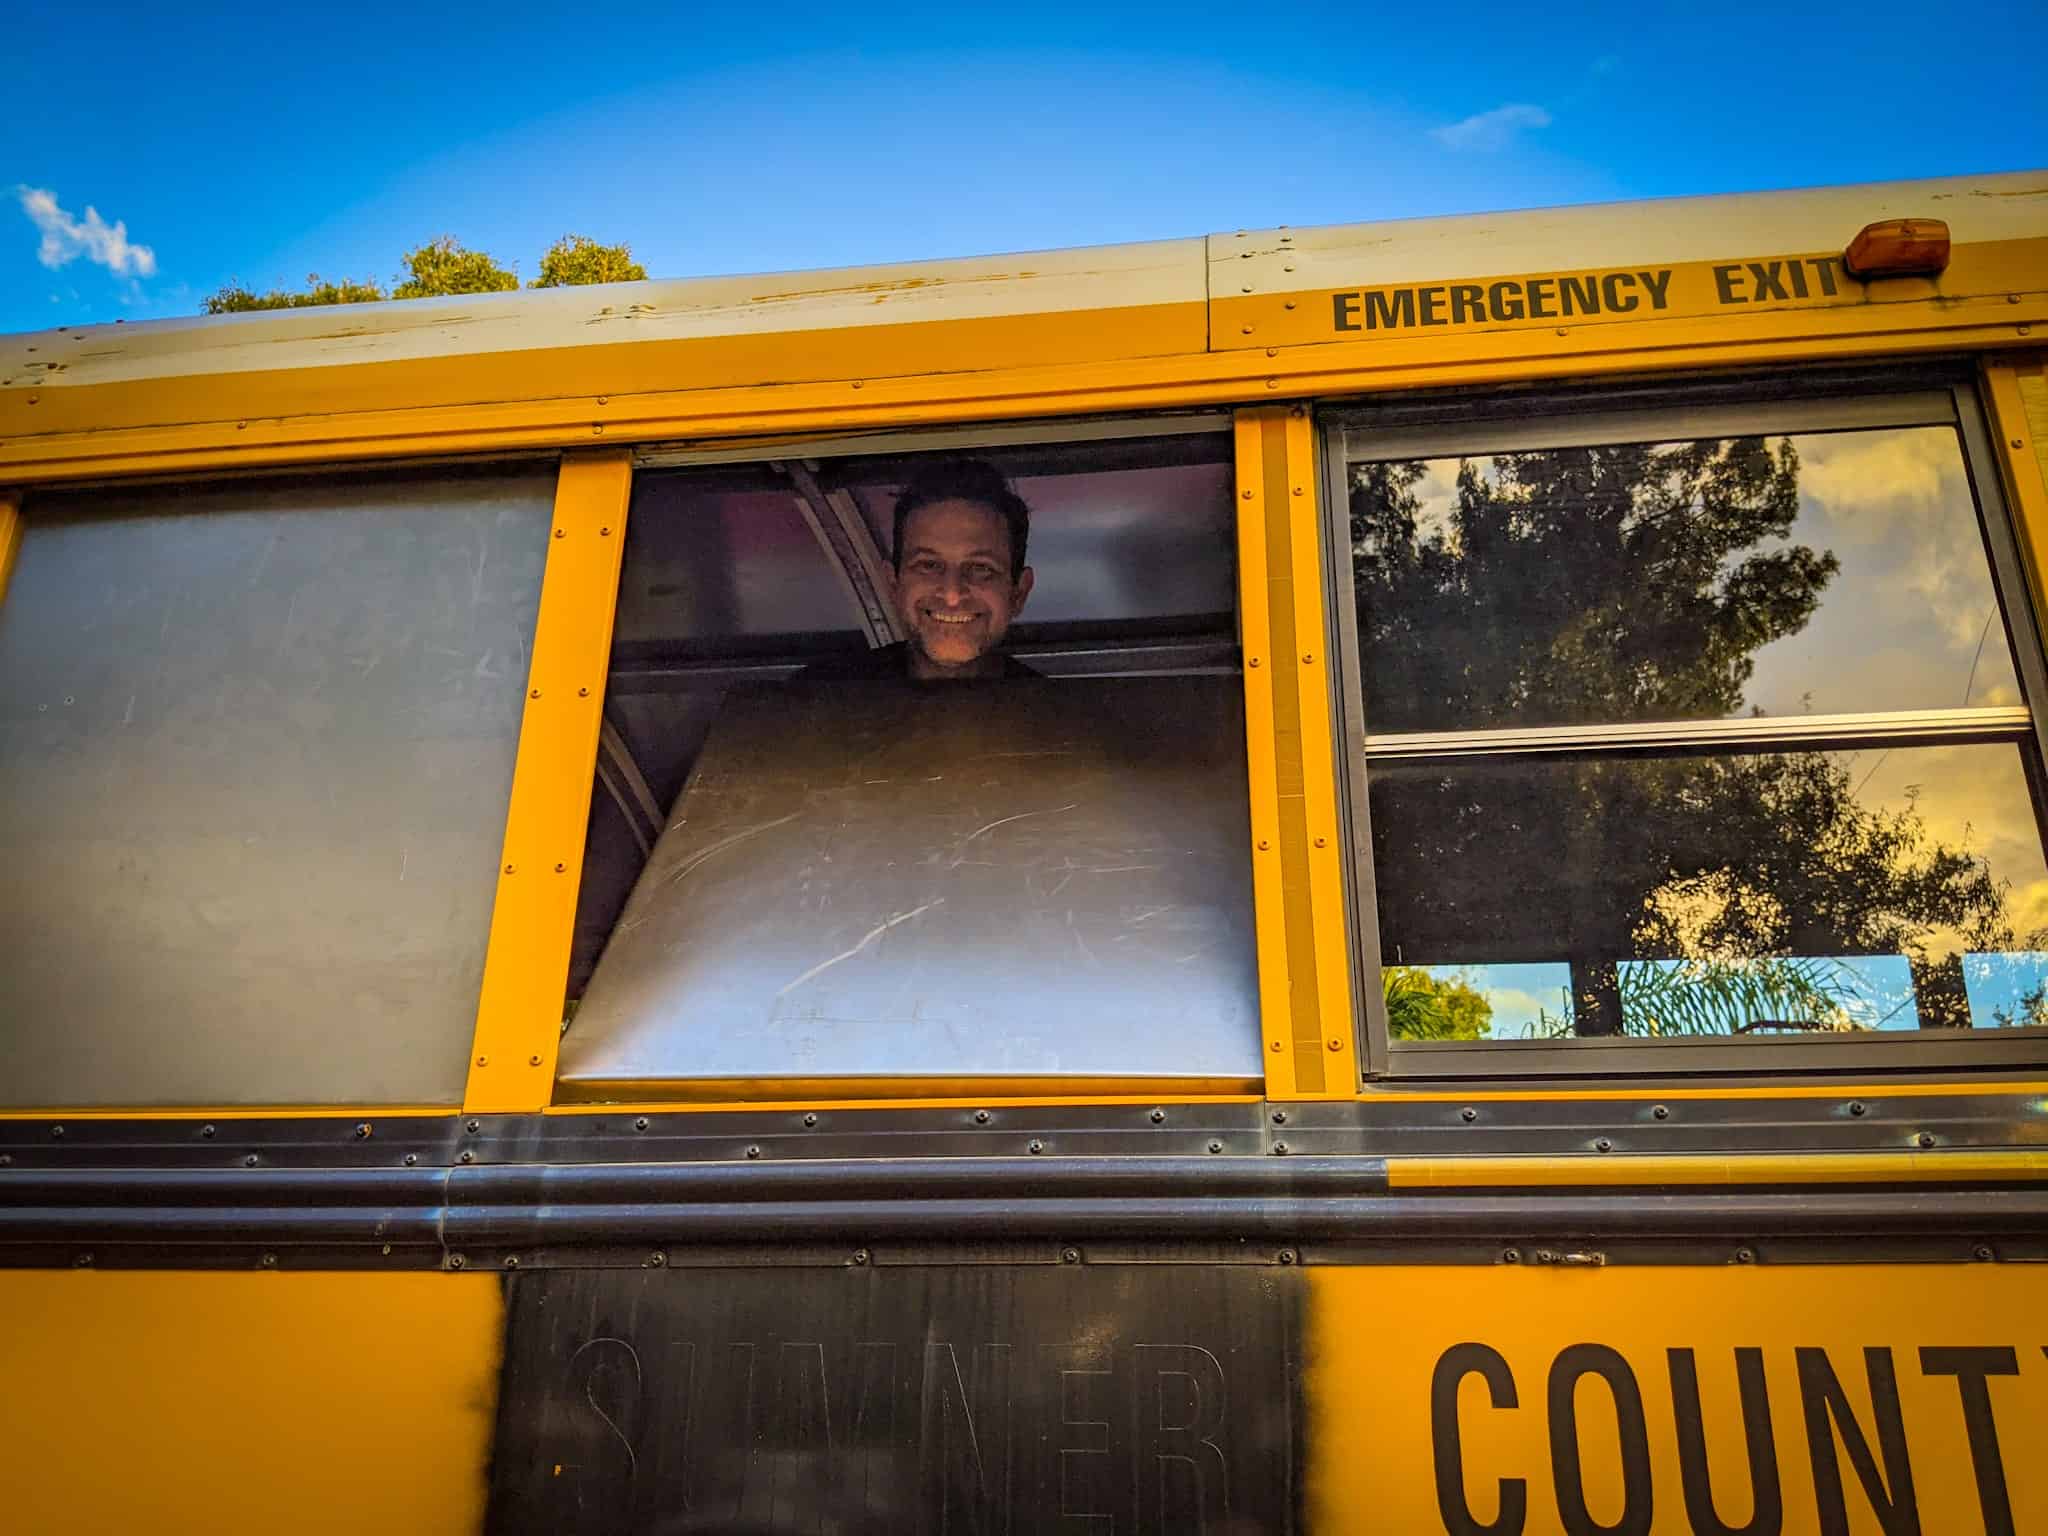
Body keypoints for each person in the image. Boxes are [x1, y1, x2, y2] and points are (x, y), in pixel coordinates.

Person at [801, 459, 1038, 680]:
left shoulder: (1057, 712)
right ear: (894, 584)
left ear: (1018, 593)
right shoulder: (816, 699)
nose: (952, 595)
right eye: (929, 565)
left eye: (981, 568)